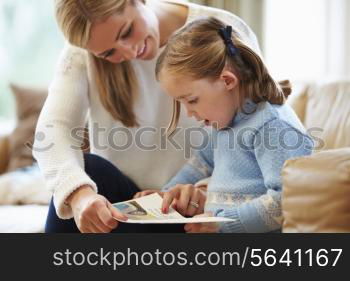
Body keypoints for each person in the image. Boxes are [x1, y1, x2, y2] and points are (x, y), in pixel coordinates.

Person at [33, 0, 262, 233]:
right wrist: (80, 196)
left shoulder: (222, 31)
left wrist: (205, 190)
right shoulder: (83, 50)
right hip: (129, 206)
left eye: (127, 32)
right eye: (108, 53)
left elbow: (254, 140)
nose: (129, 52)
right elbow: (52, 131)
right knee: (90, 169)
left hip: (199, 209)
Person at [155, 17, 314, 233]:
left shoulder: (271, 125)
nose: (189, 112)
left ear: (228, 81)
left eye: (192, 100)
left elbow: (286, 200)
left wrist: (223, 224)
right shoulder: (225, 123)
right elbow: (200, 162)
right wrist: (165, 194)